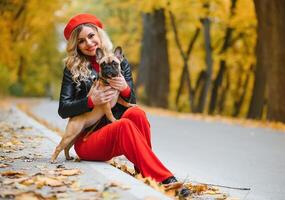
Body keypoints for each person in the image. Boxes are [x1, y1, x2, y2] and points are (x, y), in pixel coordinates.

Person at [58, 13, 190, 197]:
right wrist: (89, 101)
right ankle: (166, 180)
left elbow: (131, 102)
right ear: (76, 46)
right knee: (124, 124)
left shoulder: (120, 61)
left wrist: (126, 89)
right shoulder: (72, 69)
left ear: (99, 34)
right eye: (81, 41)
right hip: (89, 139)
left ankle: (144, 170)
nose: (88, 43)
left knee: (137, 114)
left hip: (114, 130)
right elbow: (63, 109)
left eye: (91, 36)